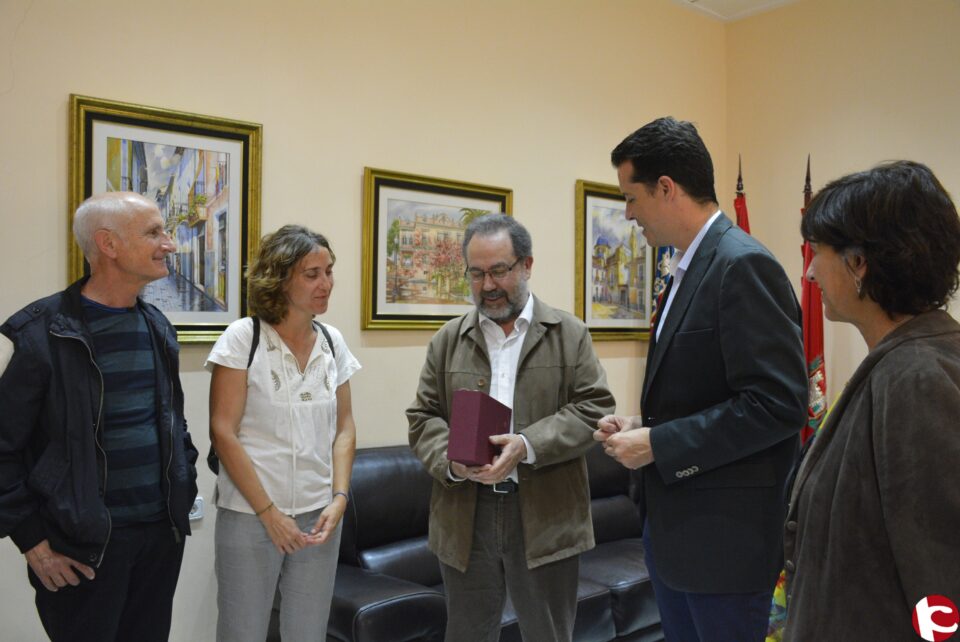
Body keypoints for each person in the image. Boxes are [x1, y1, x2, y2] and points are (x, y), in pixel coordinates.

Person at [596, 117, 807, 641]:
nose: (627, 214)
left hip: (724, 548)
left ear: (666, 188)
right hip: (678, 540)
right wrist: (644, 424)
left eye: (631, 198)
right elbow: (711, 390)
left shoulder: (742, 265)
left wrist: (659, 443)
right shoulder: (686, 267)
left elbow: (778, 404)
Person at [0, 192, 199, 642]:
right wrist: (31, 541)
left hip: (159, 540)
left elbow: (173, 420)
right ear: (108, 245)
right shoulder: (42, 334)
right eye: (154, 232)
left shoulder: (157, 327)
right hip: (81, 550)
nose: (169, 243)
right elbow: (3, 449)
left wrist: (183, 483)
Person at [407, 213, 615, 641]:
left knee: (549, 633)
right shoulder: (448, 340)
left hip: (545, 514)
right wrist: (452, 460)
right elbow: (423, 417)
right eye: (477, 272)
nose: (487, 285)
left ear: (526, 265)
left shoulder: (568, 333)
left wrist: (526, 444)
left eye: (499, 270)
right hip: (465, 517)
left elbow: (594, 409)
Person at [783, 161, 960, 639]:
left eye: (816, 252)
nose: (809, 272)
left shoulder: (914, 379)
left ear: (859, 264)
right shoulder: (903, 364)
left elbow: (940, 580)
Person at [206, 224, 360, 642]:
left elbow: (344, 429)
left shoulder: (333, 341)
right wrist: (269, 515)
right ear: (279, 278)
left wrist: (340, 497)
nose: (325, 283)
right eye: (312, 274)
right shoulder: (244, 337)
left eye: (328, 271)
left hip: (319, 516)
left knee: (307, 634)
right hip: (251, 516)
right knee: (243, 633)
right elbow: (223, 431)